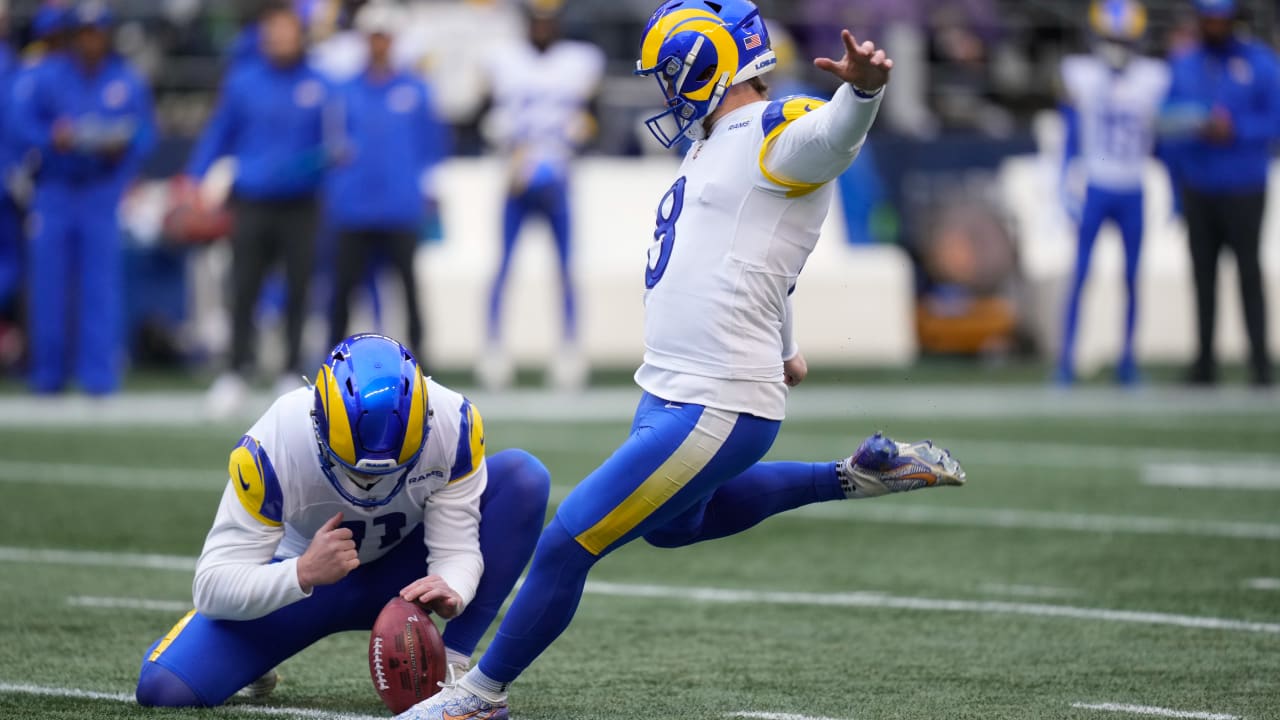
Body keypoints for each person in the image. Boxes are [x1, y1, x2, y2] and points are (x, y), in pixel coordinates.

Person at [398, 2, 966, 718]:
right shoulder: (716, 139)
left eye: (672, 70)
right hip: (670, 387)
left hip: (719, 397)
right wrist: (787, 343)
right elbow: (758, 260)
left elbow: (832, 136)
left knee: (568, 540)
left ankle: (479, 696)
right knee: (674, 526)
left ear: (709, 61)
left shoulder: (778, 126)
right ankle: (855, 475)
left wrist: (860, 93)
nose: (666, 87)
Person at [134, 333, 551, 707]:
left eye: (391, 470)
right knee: (165, 690)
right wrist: (301, 572)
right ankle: (254, 655)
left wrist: (453, 586)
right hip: (307, 586)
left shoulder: (452, 422)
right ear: (318, 426)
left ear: (425, 424)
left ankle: (455, 666)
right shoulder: (275, 442)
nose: (373, 484)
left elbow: (457, 548)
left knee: (522, 479)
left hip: (402, 581)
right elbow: (211, 586)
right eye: (358, 471)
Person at [185, 2, 334, 416]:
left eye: (288, 32)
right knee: (244, 286)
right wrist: (195, 177)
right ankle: (236, 370)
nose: (282, 40)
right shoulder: (244, 81)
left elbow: (339, 140)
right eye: (275, 32)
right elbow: (220, 132)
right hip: (251, 198)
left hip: (302, 201)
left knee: (299, 289)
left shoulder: (321, 83)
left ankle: (291, 372)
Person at [13, 1, 156, 394]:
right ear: (74, 35)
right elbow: (20, 124)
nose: (92, 39)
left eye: (98, 31)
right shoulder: (49, 76)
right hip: (55, 190)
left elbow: (146, 134)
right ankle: (48, 376)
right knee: (49, 286)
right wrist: (52, 140)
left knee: (100, 288)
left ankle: (97, 378)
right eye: (85, 32)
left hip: (99, 191)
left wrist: (122, 151)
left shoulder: (124, 79)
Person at [477, 0, 605, 392]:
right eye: (537, 19)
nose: (543, 27)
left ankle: (569, 348)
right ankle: (494, 349)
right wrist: (499, 136)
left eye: (549, 20)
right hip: (516, 178)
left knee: (565, 268)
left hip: (559, 176)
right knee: (503, 266)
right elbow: (481, 116)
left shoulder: (581, 60)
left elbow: (594, 118)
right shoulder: (502, 58)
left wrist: (582, 132)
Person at [1164, 0, 1279, 386]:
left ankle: (1260, 363)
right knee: (1203, 277)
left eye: (1220, 19)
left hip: (1245, 187)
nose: (1214, 25)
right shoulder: (1185, 63)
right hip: (1199, 185)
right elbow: (1166, 119)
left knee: (1248, 274)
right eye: (1208, 18)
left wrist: (1236, 130)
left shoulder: (1260, 64)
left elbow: (1274, 121)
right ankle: (1204, 364)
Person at [1056, 0, 1170, 385]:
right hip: (1097, 183)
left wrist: (1172, 186)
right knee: (1081, 275)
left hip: (1133, 185)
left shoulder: (1153, 77)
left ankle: (1127, 361)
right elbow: (1070, 135)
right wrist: (1064, 185)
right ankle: (1066, 361)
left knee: (1132, 278)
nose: (1118, 46)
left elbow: (1164, 138)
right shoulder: (1081, 74)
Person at [327, 2, 448, 361]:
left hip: (399, 204)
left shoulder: (416, 89)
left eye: (385, 37)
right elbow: (333, 146)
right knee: (344, 287)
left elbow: (432, 144)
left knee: (408, 286)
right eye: (374, 37)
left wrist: (427, 188)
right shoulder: (344, 89)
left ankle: (421, 360)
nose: (379, 44)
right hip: (353, 205)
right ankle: (332, 360)